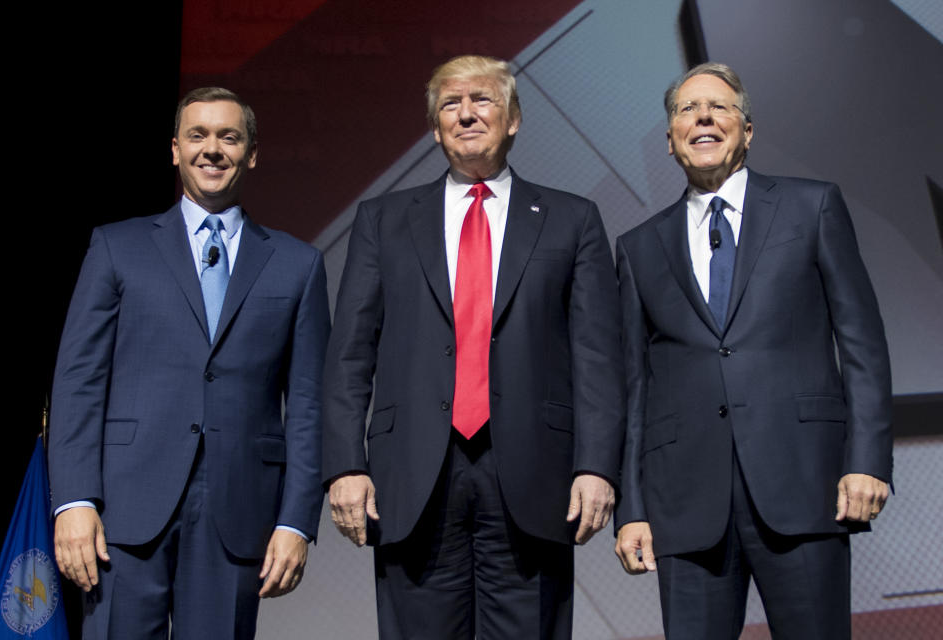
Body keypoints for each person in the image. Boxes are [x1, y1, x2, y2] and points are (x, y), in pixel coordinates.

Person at [323, 54, 624, 639]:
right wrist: (344, 465)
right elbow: (349, 353)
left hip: (537, 474)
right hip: (410, 475)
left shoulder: (572, 219)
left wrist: (596, 465)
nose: (466, 114)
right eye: (450, 105)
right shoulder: (383, 220)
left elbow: (597, 357)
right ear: (435, 128)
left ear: (513, 118)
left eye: (482, 99)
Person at [613, 62, 893, 639]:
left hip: (804, 488)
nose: (704, 117)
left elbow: (862, 342)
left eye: (719, 107)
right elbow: (635, 388)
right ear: (669, 141)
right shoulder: (638, 248)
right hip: (686, 507)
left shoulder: (811, 207)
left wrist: (867, 459)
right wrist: (632, 507)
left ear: (747, 130)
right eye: (687, 110)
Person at [49, 87, 330, 639]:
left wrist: (296, 520)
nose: (213, 149)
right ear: (174, 150)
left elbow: (307, 405)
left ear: (252, 153)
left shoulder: (298, 265)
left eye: (229, 136)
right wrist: (74, 501)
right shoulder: (116, 247)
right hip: (124, 512)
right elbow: (78, 381)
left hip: (237, 512)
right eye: (197, 135)